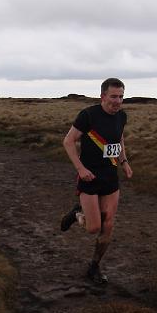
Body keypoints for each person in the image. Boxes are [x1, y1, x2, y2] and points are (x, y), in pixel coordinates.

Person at [60, 77, 133, 284]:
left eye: (121, 97)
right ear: (103, 96)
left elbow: (118, 139)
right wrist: (80, 169)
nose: (117, 101)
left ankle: (94, 267)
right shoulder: (88, 115)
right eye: (113, 96)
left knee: (108, 225)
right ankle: (77, 213)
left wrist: (124, 162)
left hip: (110, 178)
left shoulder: (121, 116)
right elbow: (68, 141)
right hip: (89, 178)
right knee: (93, 228)